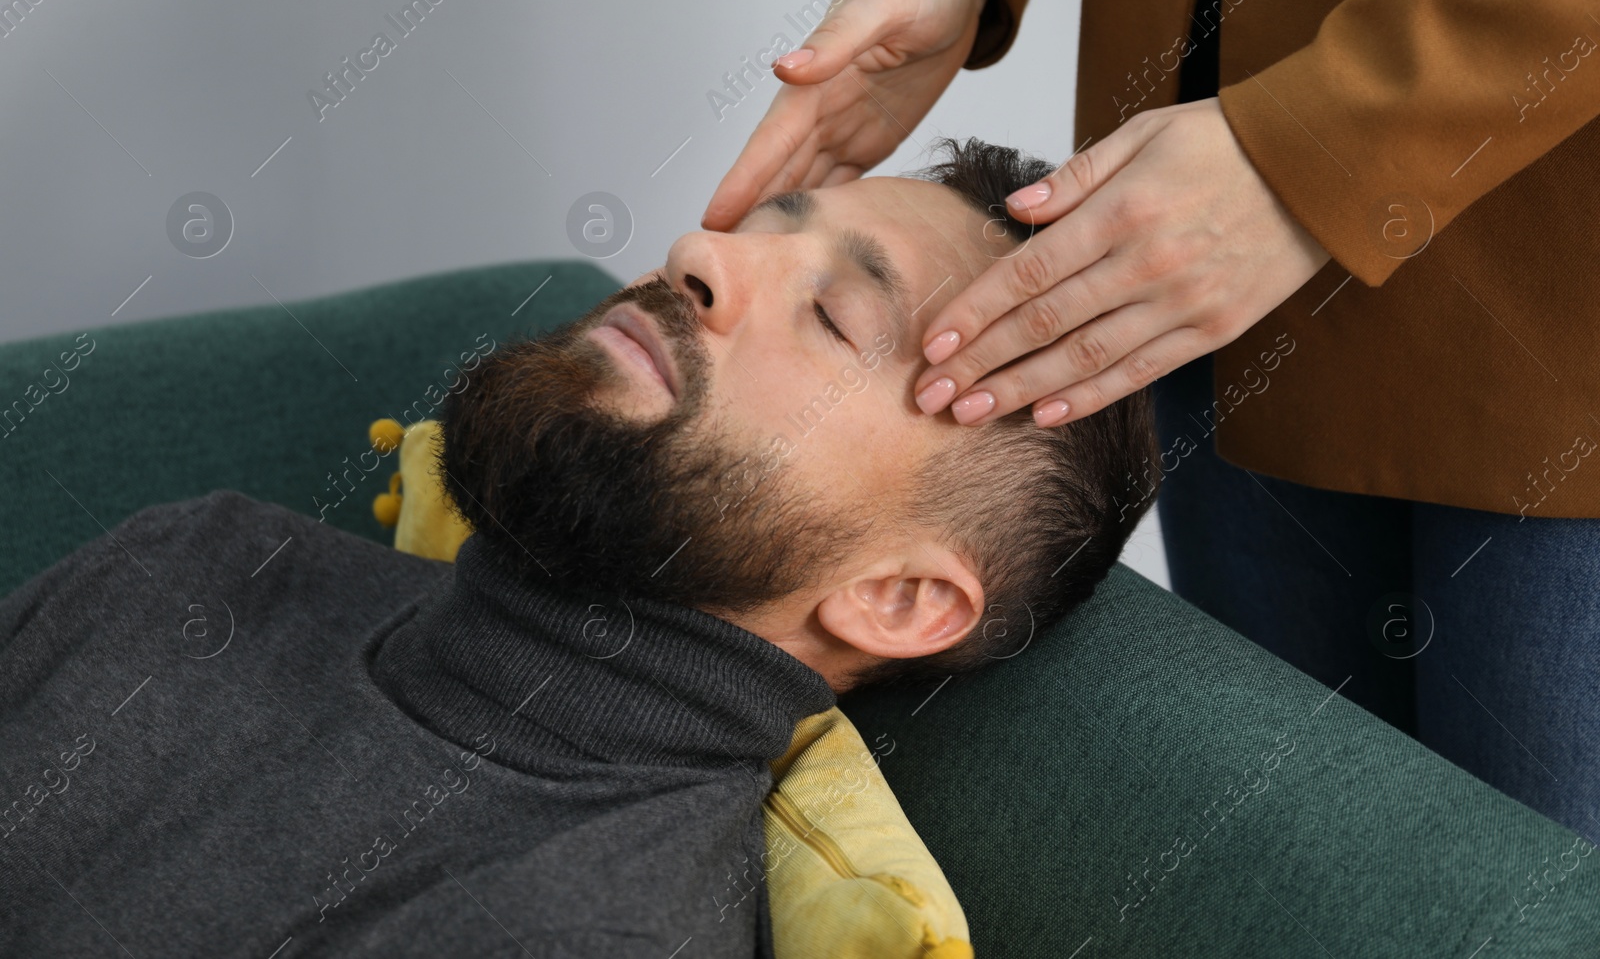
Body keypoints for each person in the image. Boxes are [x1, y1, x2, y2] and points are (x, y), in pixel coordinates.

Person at [0, 140, 1156, 958]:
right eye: (754, 227)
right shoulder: (202, 563)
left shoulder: (588, 928)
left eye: (836, 315)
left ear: (897, 597)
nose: (696, 248)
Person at [703, 0, 1600, 837]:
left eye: (837, 319)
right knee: (1284, 870)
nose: (698, 260)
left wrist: (1317, 145)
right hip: (1195, 229)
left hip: (1549, 280)